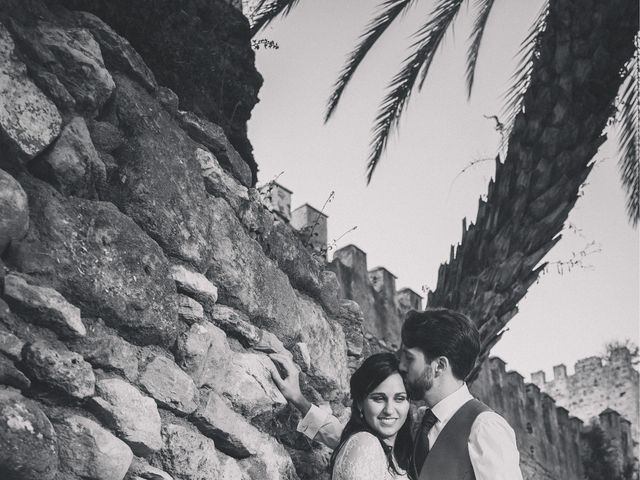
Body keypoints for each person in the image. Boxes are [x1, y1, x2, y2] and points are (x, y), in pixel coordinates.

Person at [270, 308, 523, 480]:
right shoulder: (417, 425)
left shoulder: (484, 427)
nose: (401, 365)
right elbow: (358, 444)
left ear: (439, 367)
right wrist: (299, 400)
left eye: (410, 358)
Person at [272, 352, 413, 480]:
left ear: (409, 403)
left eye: (400, 398)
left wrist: (300, 401)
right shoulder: (366, 444)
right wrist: (296, 398)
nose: (389, 410)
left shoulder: (393, 448)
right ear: (359, 403)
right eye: (378, 398)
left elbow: (337, 434)